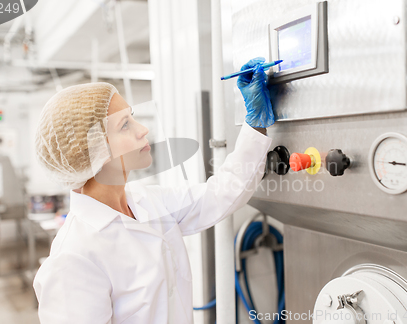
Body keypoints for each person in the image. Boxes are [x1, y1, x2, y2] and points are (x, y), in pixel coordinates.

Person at [33, 57, 275, 324]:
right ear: (91, 151)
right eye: (124, 125)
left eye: (132, 118)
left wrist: (255, 121)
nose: (143, 129)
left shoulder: (147, 201)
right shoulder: (73, 258)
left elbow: (221, 195)